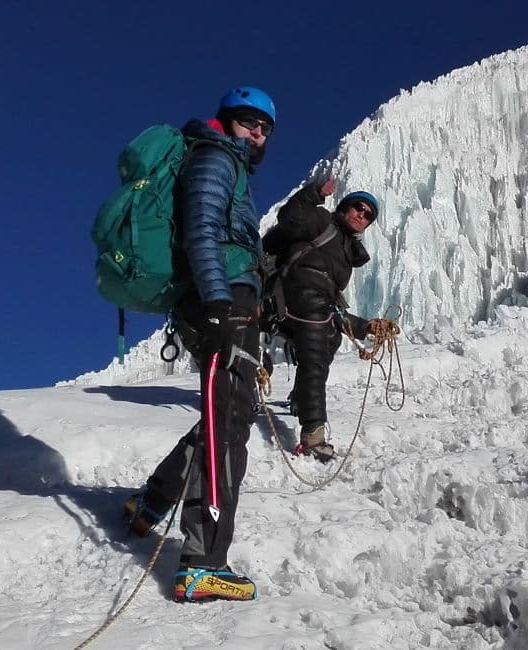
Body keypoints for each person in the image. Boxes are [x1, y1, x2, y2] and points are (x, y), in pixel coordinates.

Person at [122, 86, 276, 603]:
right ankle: (202, 564)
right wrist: (217, 300)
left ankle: (151, 503)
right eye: (249, 122)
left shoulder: (224, 161)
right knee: (228, 426)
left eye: (265, 128)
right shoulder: (215, 159)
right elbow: (202, 230)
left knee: (224, 413)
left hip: (227, 299)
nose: (257, 134)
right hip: (221, 300)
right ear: (227, 120)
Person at [260, 178, 396, 462]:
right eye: (358, 208)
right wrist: (314, 193)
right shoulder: (321, 222)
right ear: (345, 208)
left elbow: (332, 307)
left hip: (316, 306)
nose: (362, 215)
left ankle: (301, 398)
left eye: (368, 215)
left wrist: (365, 327)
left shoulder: (346, 253)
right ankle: (313, 434)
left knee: (328, 340)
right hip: (295, 297)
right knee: (315, 353)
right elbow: (290, 218)